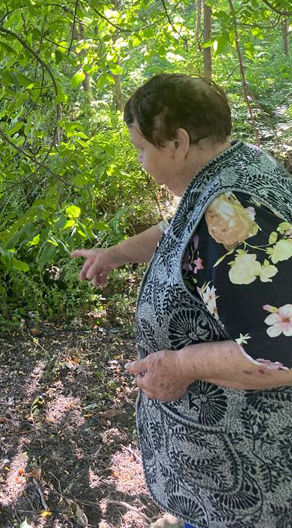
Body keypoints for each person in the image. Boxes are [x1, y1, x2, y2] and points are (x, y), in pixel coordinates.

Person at [71, 74, 292, 528]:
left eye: (141, 149)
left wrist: (180, 367)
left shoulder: (232, 210)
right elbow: (179, 232)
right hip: (222, 470)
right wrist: (113, 255)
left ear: (178, 141)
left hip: (248, 487)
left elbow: (283, 355)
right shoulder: (237, 166)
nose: (140, 162)